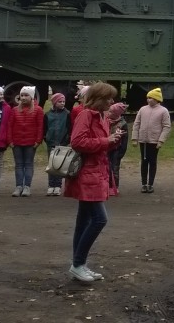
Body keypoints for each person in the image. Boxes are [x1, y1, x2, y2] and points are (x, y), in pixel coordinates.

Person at [65, 81, 123, 283]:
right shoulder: (86, 115)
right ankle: (78, 264)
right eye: (108, 98)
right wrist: (107, 141)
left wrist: (113, 139)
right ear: (98, 98)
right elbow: (77, 142)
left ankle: (79, 265)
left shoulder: (101, 116)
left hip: (97, 173)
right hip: (88, 175)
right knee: (99, 219)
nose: (112, 101)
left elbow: (99, 144)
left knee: (84, 221)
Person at [131, 87, 170, 193]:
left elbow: (166, 126)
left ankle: (150, 184)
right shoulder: (143, 109)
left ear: (157, 99)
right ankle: (144, 184)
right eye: (148, 98)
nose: (148, 100)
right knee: (144, 161)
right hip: (143, 141)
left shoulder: (163, 111)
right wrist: (135, 138)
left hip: (154, 141)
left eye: (151, 98)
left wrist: (161, 141)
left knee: (152, 162)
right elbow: (137, 123)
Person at [8, 86, 44, 197]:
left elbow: (40, 126)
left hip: (31, 142)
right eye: (22, 95)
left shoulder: (38, 110)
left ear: (32, 97)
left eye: (26, 95)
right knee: (18, 165)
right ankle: (18, 186)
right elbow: (10, 126)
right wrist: (10, 140)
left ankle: (27, 186)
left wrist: (38, 140)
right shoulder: (14, 110)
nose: (23, 98)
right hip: (17, 142)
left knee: (28, 164)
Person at [43, 92, 71, 196]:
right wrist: (46, 138)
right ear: (55, 102)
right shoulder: (47, 115)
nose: (62, 103)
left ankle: (58, 186)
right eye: (60, 101)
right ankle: (51, 185)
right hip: (51, 143)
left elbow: (69, 128)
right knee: (51, 165)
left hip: (62, 142)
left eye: (63, 101)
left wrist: (67, 140)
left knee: (59, 164)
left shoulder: (67, 114)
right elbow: (45, 128)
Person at [106, 102, 129, 191]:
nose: (109, 113)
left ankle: (115, 186)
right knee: (106, 167)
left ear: (116, 114)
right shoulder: (106, 121)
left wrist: (121, 152)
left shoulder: (123, 124)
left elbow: (124, 140)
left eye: (111, 112)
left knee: (114, 168)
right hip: (106, 147)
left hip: (116, 149)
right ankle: (107, 185)